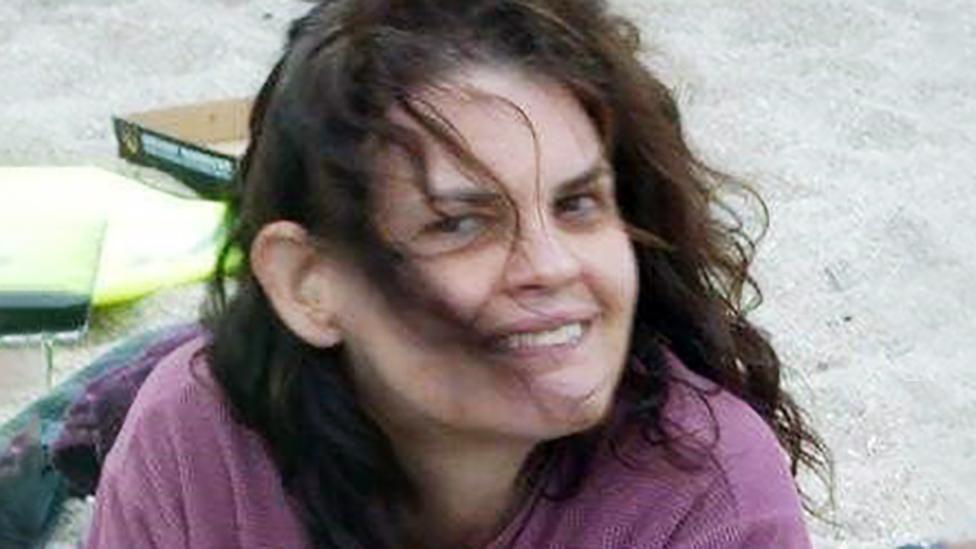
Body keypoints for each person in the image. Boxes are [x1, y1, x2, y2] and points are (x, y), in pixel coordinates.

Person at [85, 0, 831, 547]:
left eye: (577, 204)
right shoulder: (195, 440)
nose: (552, 266)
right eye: (460, 222)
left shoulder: (705, 498)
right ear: (309, 283)